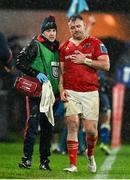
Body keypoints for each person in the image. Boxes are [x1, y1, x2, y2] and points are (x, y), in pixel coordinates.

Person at [59, 14, 110, 173]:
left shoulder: (95, 43)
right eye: (72, 27)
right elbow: (61, 72)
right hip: (70, 91)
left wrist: (85, 60)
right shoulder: (64, 47)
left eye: (78, 26)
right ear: (69, 28)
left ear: (83, 26)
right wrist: (61, 89)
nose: (75, 29)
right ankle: (73, 165)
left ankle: (90, 154)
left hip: (90, 92)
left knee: (91, 131)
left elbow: (106, 65)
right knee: (72, 124)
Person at [16, 15, 59, 170]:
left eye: (54, 30)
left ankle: (44, 162)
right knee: (33, 126)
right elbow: (19, 61)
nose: (52, 33)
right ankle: (27, 159)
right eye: (48, 30)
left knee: (47, 130)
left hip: (52, 96)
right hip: (36, 94)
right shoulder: (35, 44)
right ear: (43, 32)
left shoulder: (57, 48)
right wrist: (35, 73)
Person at [98, 70, 111, 155]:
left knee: (87, 120)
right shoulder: (102, 63)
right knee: (106, 119)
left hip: (90, 94)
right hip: (101, 94)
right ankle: (104, 143)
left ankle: (84, 147)